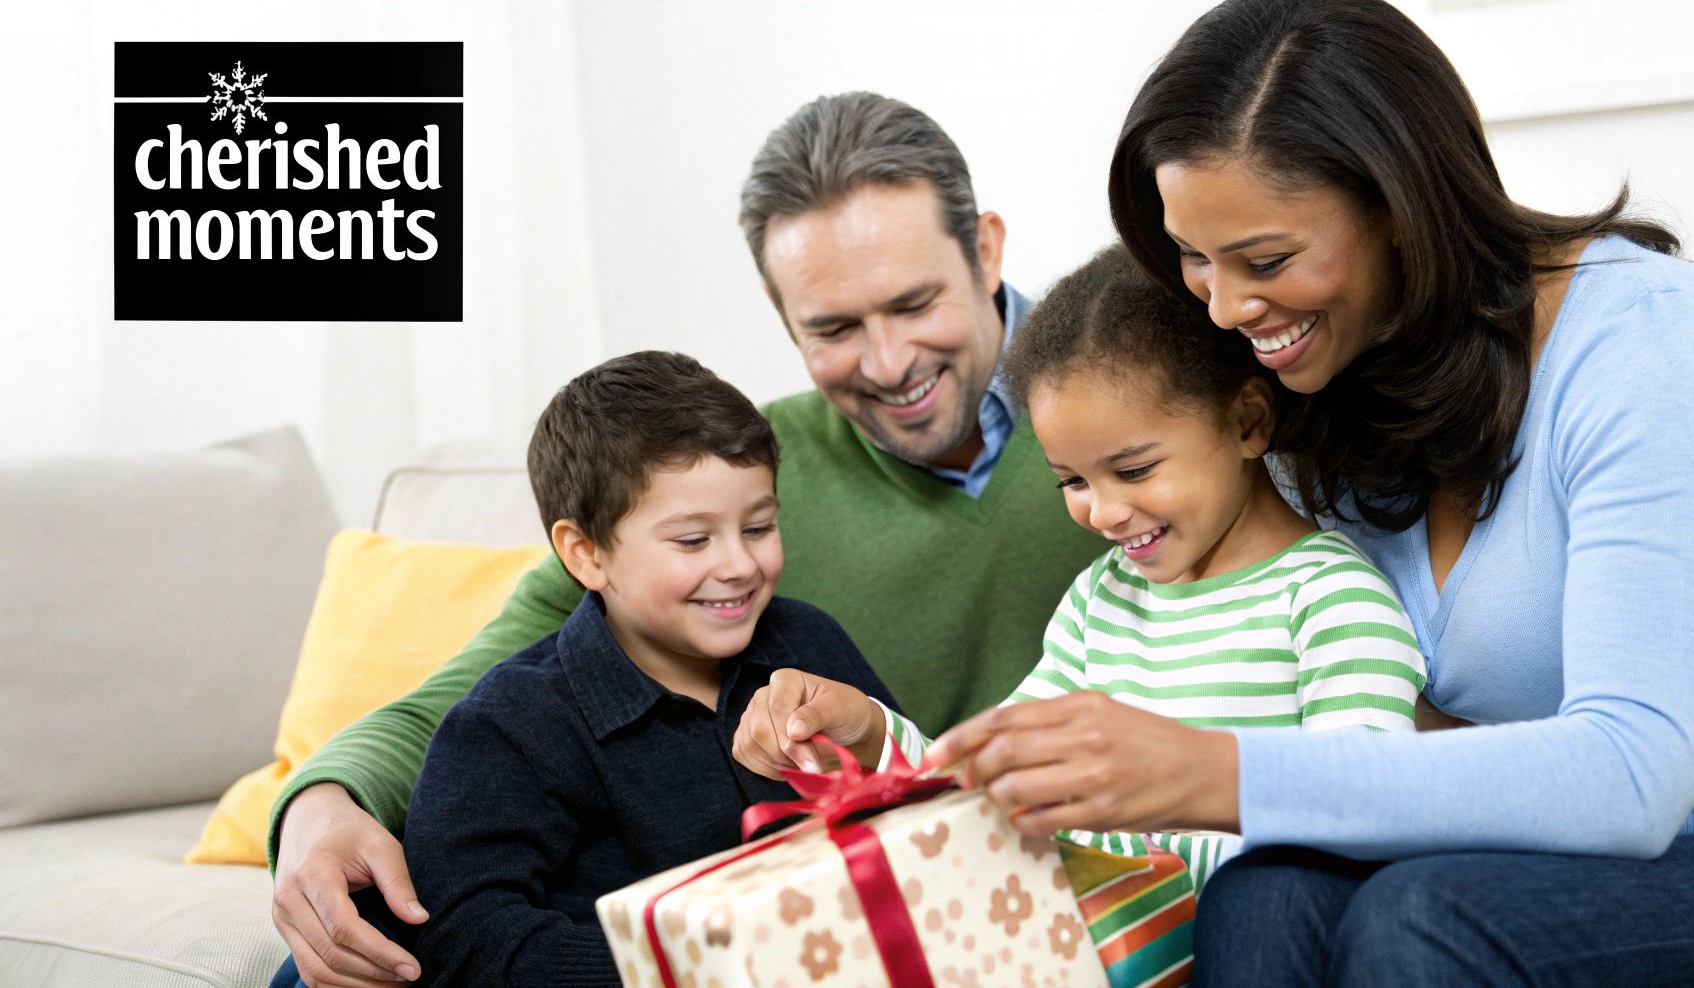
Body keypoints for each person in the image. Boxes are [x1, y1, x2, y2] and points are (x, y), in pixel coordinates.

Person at [923, 0, 1694, 986]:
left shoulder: (1651, 348)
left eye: (1263, 256)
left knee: (1422, 920)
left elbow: (1630, 776)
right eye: (1191, 257)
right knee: (1265, 893)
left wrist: (1211, 768)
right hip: (1529, 852)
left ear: (1398, 208)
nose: (1222, 307)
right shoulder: (1323, 387)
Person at [266, 92, 1106, 988]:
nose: (889, 361)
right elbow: (486, 691)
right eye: (832, 328)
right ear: (784, 317)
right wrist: (321, 804)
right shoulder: (739, 469)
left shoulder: (1142, 429)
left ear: (984, 250)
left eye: (913, 303)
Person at [731, 245, 1426, 891]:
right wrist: (871, 733)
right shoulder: (1103, 600)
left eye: (1133, 470)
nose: (1106, 512)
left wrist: (1129, 840)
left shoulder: (1333, 598)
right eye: (1073, 482)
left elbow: (1358, 816)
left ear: (1247, 421)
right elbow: (982, 779)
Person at [395, 351, 895, 986]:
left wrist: (873, 741)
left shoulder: (807, 640)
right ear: (586, 554)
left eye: (759, 526)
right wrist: (692, 971)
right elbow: (465, 937)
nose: (740, 564)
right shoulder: (511, 724)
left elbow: (917, 805)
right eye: (693, 540)